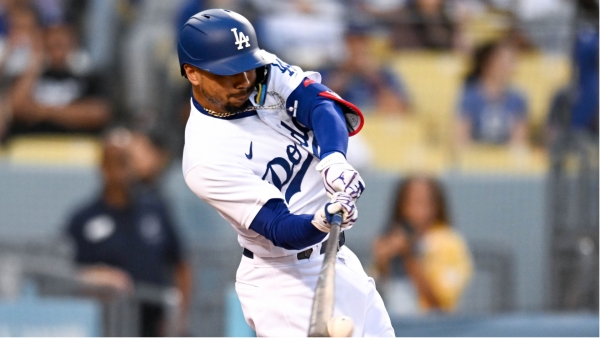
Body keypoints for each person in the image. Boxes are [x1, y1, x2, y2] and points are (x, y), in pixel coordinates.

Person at [179, 9, 394, 336]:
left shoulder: (258, 68)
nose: (243, 80)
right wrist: (320, 219)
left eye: (246, 67)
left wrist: (334, 159)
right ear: (193, 73)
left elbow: (320, 104)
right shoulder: (205, 156)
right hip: (283, 281)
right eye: (227, 73)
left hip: (337, 258)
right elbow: (278, 227)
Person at [66, 128, 192, 336]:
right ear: (102, 167)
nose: (121, 171)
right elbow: (67, 274)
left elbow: (181, 265)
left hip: (152, 323)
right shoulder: (83, 219)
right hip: (102, 324)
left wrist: (179, 318)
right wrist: (95, 278)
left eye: (125, 162)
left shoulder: (156, 210)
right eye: (114, 163)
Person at [373, 176, 472, 316]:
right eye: (411, 202)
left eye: (425, 202)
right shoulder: (391, 237)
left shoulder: (451, 244)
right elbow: (373, 297)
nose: (419, 210)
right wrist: (382, 262)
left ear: (437, 206)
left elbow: (441, 306)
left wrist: (409, 257)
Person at [7, 23, 110, 137]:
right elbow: (15, 109)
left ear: (72, 44)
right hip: (30, 144)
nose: (57, 52)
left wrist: (43, 111)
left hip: (75, 146)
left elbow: (98, 114)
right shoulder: (27, 76)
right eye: (51, 45)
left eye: (61, 45)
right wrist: (34, 63)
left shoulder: (88, 76)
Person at [320, 24, 410, 115]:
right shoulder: (329, 70)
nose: (358, 48)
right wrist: (346, 72)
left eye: (362, 43)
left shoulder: (384, 73)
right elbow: (320, 105)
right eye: (352, 43)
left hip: (376, 122)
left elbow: (399, 107)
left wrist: (374, 76)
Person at [455, 40, 529, 147]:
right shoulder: (470, 98)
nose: (511, 67)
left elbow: (518, 142)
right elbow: (461, 140)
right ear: (489, 63)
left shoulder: (518, 99)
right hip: (475, 160)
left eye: (512, 61)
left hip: (506, 161)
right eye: (506, 62)